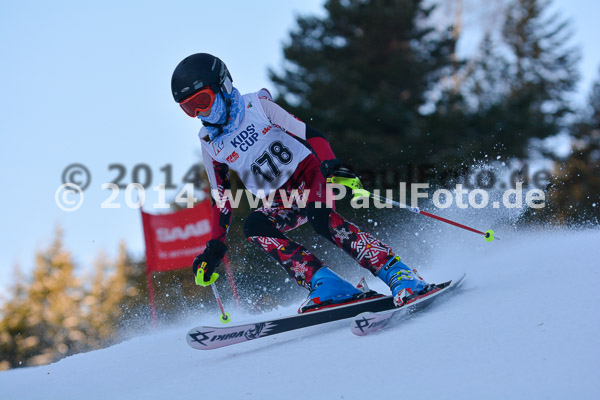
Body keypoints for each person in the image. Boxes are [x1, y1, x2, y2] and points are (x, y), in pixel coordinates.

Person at [171, 53, 435, 312]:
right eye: (189, 108)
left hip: (308, 175)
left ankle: (397, 272)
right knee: (255, 225)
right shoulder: (210, 142)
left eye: (202, 101)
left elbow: (311, 134)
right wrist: (215, 247)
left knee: (320, 218)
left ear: (224, 86)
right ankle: (326, 283)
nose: (200, 113)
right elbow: (221, 197)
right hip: (279, 199)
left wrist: (332, 164)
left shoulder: (258, 106)